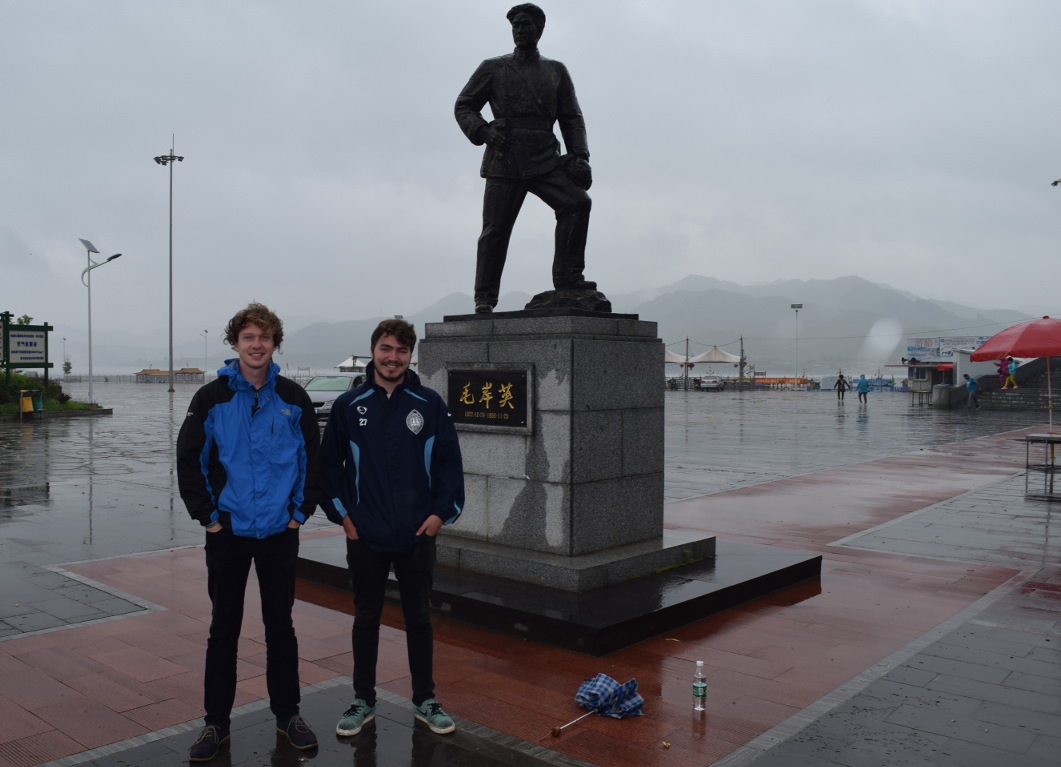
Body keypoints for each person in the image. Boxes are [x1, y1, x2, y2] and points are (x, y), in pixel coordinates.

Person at [176, 303, 321, 762]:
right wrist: (210, 519)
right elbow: (189, 462)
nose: (256, 345)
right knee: (224, 629)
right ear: (235, 343)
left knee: (281, 627)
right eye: (248, 337)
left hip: (280, 532)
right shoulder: (211, 399)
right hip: (229, 533)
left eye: (265, 337)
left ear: (275, 343)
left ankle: (288, 716)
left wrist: (300, 514)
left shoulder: (295, 399)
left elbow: (311, 462)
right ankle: (215, 723)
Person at [320, 318, 465, 737]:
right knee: (366, 618)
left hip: (417, 536)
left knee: (419, 619)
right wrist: (344, 518)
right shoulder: (350, 406)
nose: (393, 357)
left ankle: (426, 699)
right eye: (386, 349)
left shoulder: (429, 403)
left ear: (410, 356)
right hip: (365, 535)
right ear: (374, 351)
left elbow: (449, 466)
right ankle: (362, 699)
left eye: (401, 351)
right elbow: (328, 469)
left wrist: (440, 516)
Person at [455, 3, 595, 313]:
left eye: (526, 25)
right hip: (504, 154)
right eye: (516, 26)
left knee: (577, 203)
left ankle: (569, 279)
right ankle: (484, 299)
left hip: (544, 155)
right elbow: (464, 105)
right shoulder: (493, 68)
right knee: (495, 230)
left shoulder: (556, 70)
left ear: (539, 30)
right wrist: (484, 131)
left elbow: (572, 118)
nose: (520, 30)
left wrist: (580, 156)